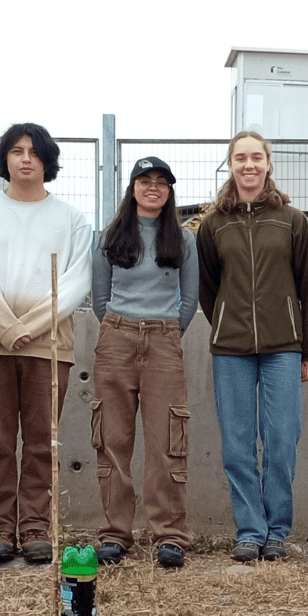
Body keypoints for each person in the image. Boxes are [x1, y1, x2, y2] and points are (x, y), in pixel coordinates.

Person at [0, 123, 93, 564]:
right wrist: (4, 326)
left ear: (48, 161)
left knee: (40, 441)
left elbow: (76, 281)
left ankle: (36, 528)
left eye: (35, 152)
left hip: (47, 345)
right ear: (5, 159)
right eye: (16, 151)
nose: (25, 158)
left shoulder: (71, 218)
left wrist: (30, 326)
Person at [197, 131, 308, 562]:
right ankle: (250, 530)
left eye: (256, 157)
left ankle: (278, 531)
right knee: (237, 444)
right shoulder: (213, 224)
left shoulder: (292, 219)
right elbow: (207, 287)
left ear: (268, 163)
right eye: (240, 158)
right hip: (230, 349)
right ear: (230, 165)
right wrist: (227, 322)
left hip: (283, 348)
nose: (248, 165)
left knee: (282, 439)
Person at [89, 156, 199, 569]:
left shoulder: (183, 240)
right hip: (116, 337)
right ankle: (116, 533)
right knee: (112, 439)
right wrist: (122, 329)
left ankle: (169, 535)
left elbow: (190, 299)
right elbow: (99, 298)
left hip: (165, 341)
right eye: (144, 180)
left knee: (167, 439)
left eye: (161, 182)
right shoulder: (110, 236)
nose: (152, 187)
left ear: (169, 191)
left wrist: (166, 333)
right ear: (132, 187)